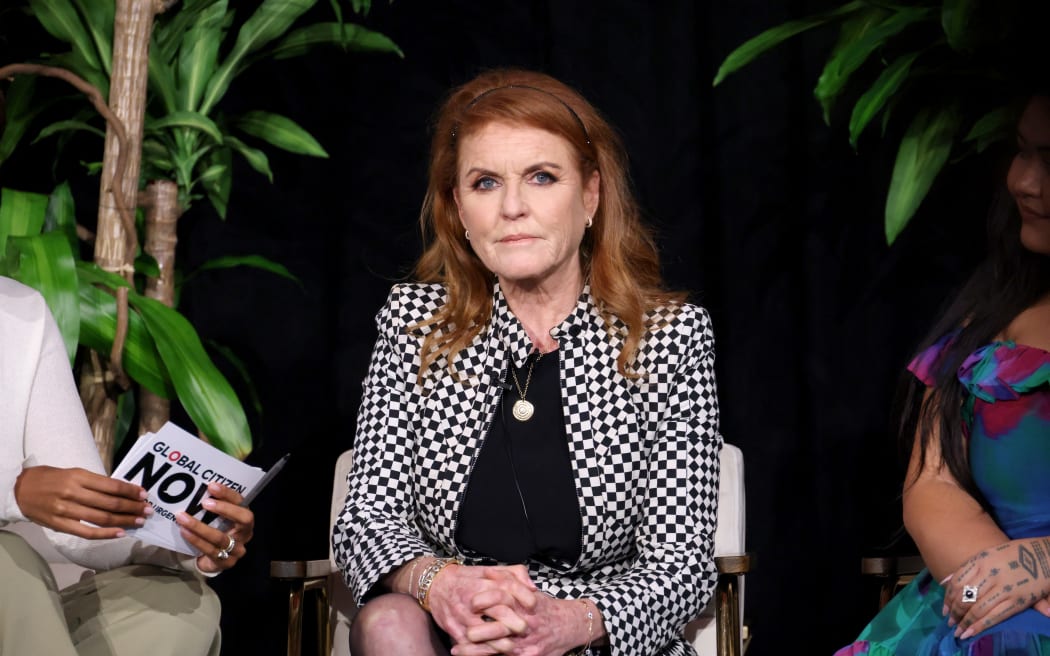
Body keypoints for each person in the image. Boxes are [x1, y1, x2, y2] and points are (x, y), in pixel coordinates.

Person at [332, 68, 723, 656]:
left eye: (541, 177)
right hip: (452, 628)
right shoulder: (416, 324)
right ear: (459, 209)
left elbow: (681, 565)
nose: (512, 207)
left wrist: (567, 624)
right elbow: (365, 517)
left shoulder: (668, 338)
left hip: (596, 633)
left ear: (590, 195)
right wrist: (442, 585)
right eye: (485, 183)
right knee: (387, 622)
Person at [835, 94, 1050, 654]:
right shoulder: (991, 317)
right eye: (1023, 152)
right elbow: (932, 484)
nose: (1024, 181)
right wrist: (1000, 593)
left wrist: (1041, 567)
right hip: (979, 605)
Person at [0, 275, 256, 655]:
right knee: (9, 562)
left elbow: (84, 528)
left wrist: (184, 537)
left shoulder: (21, 310)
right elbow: (18, 501)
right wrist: (13, 494)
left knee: (178, 606)